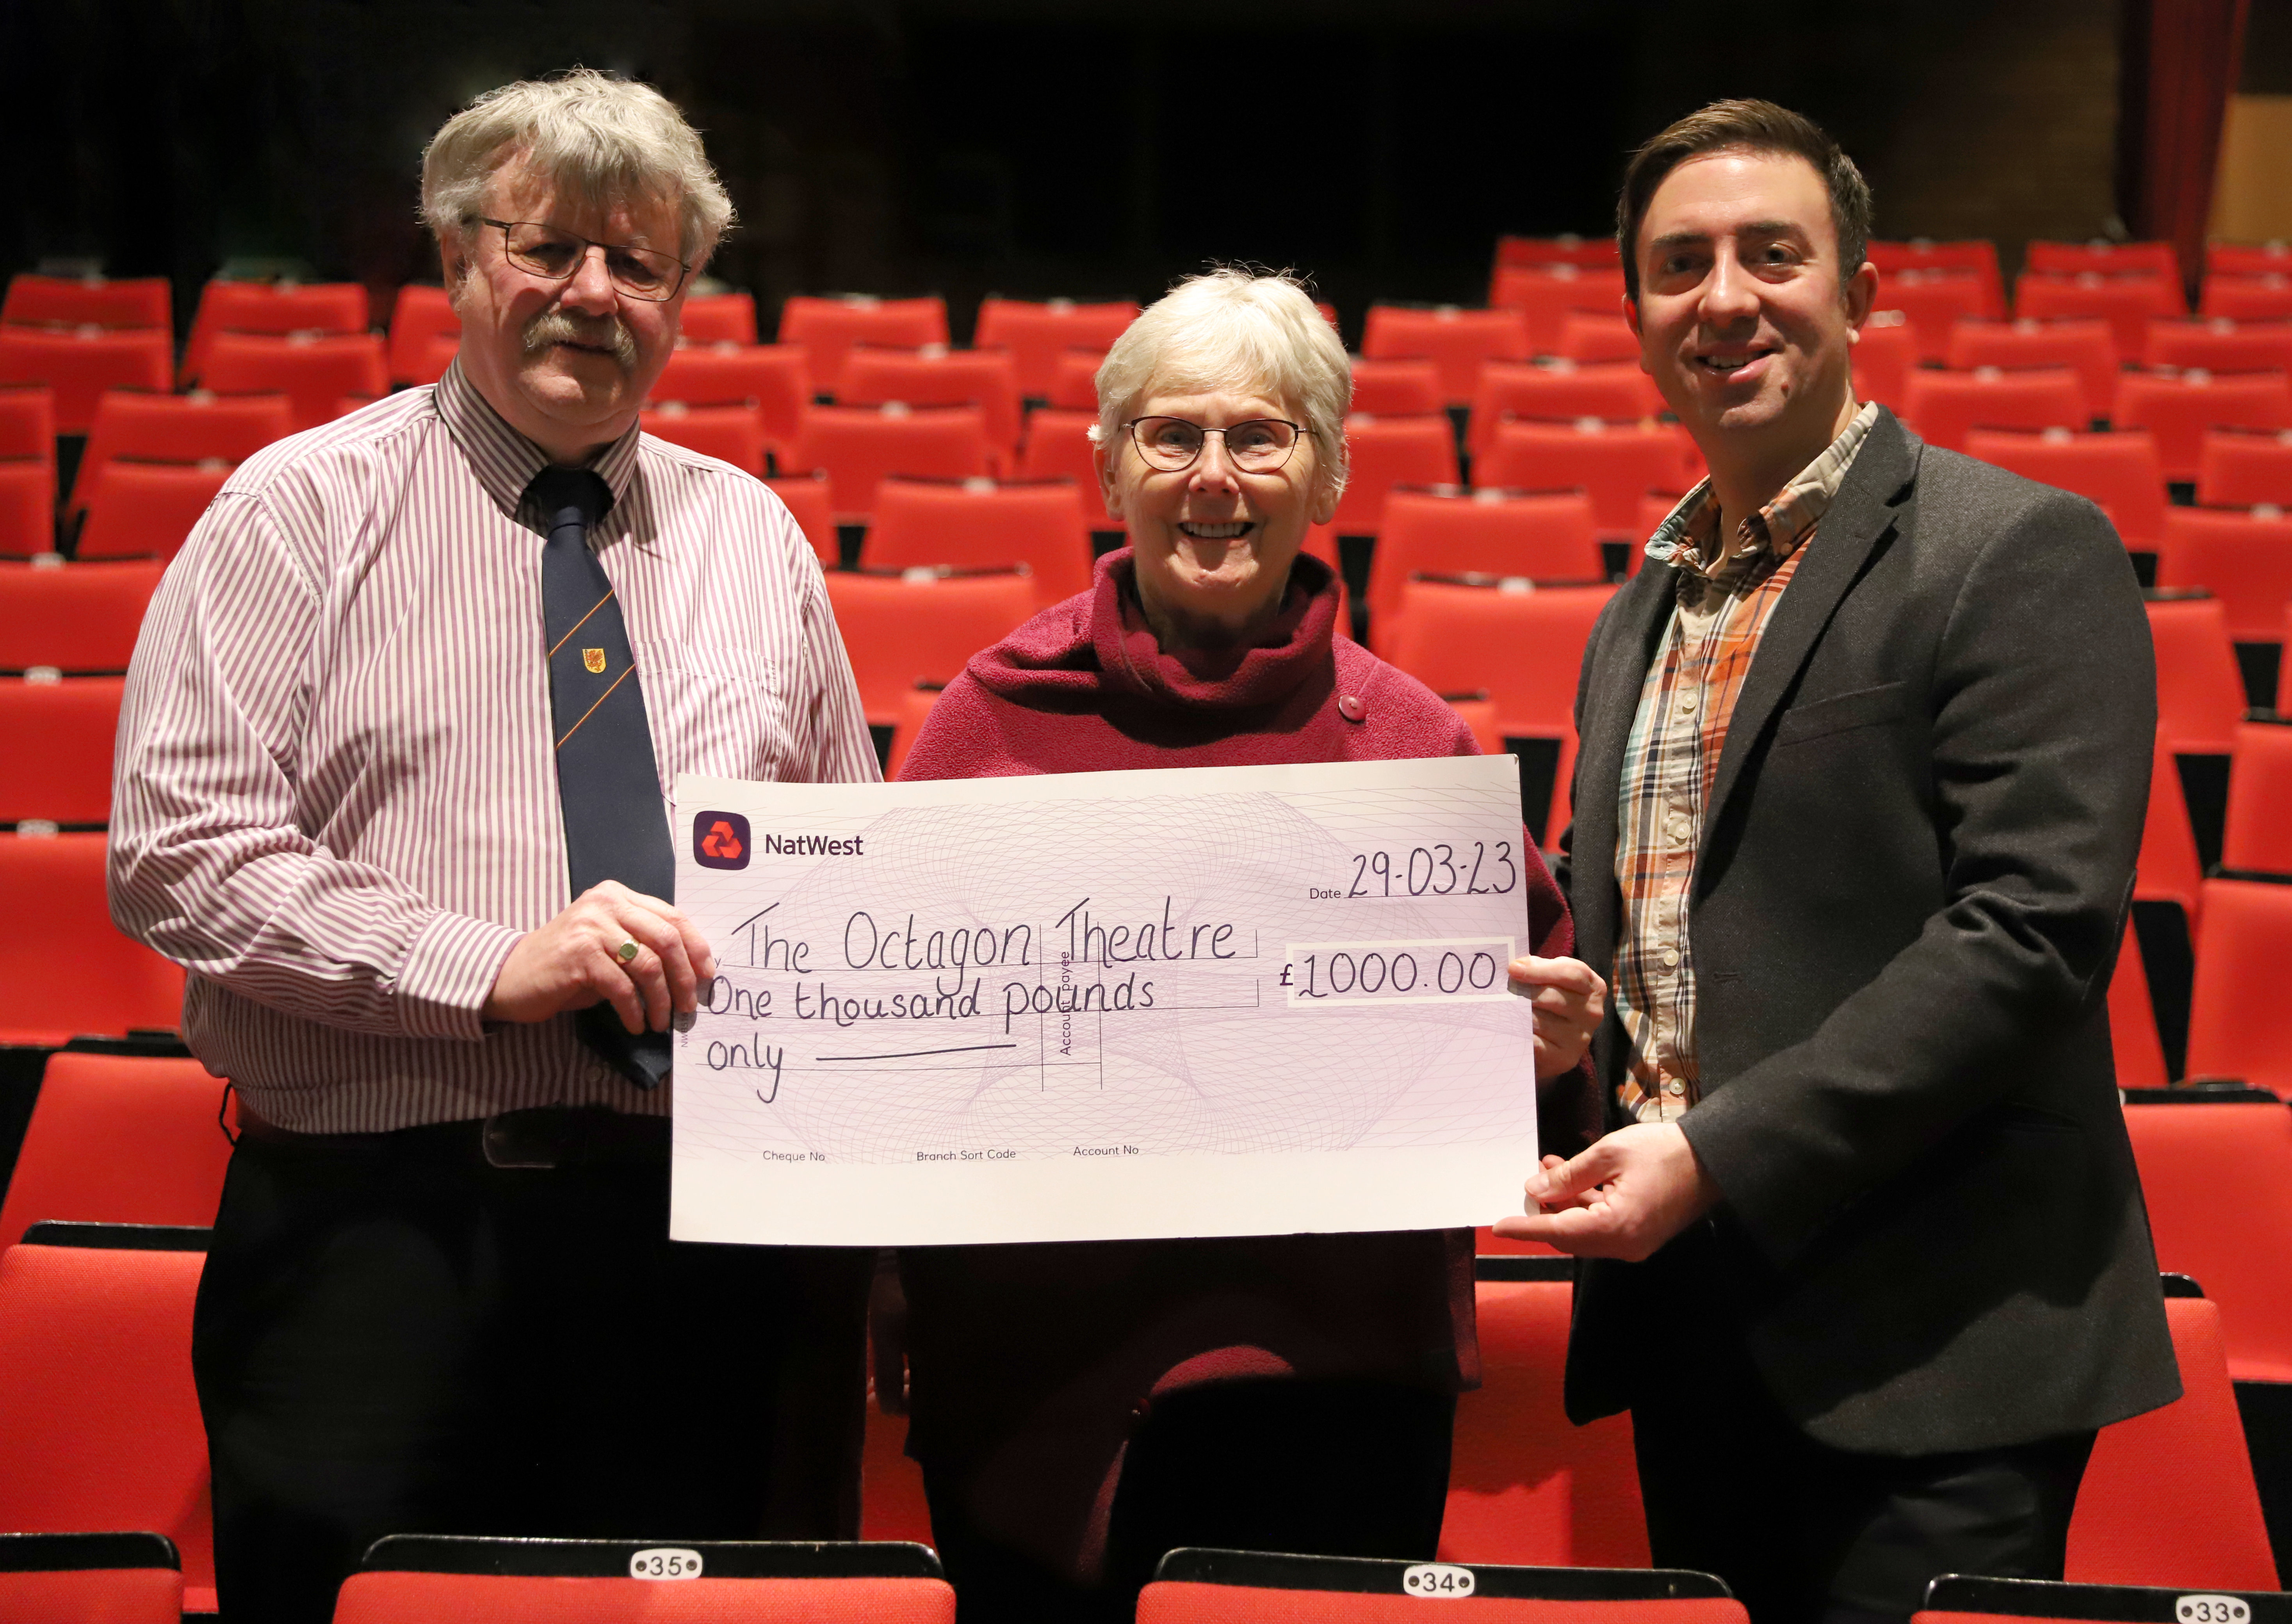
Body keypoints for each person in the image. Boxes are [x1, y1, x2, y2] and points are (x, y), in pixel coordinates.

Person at [108, 70, 878, 1624]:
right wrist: (489, 965)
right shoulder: (297, 512)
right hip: (376, 1239)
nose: (594, 294)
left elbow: (840, 870)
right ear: (457, 258)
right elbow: (179, 849)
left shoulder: (754, 538)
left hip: (693, 1255)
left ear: (685, 299)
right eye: (549, 248)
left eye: (640, 262)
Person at [1494, 100, 2181, 1624]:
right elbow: (1668, 952)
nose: (1721, 297)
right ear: (1632, 315)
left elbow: (2030, 934)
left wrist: (1717, 1151)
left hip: (1934, 1345)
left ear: (1859, 293)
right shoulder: (1636, 614)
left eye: (1769, 254)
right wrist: (1570, 1029)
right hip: (1697, 1333)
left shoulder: (2012, 551)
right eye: (1678, 264)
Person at [892, 268, 1606, 1622]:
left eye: (1260, 436)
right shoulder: (981, 727)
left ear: (1327, 474)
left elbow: (1533, 1075)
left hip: (1328, 1387)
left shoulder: (1413, 748)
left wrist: (1548, 1053)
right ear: (1113, 467)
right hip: (1034, 1375)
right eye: (1173, 436)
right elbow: (890, 1061)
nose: (1213, 477)